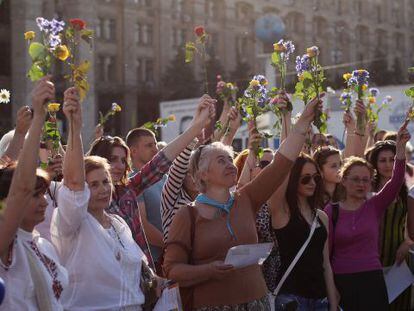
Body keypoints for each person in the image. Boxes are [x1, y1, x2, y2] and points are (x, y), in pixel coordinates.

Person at [163, 96, 322, 310]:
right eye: (221, 161)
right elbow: (172, 270)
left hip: (258, 303)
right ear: (203, 174)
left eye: (230, 159)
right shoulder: (187, 215)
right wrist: (209, 269)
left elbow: (282, 163)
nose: (230, 165)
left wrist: (303, 122)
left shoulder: (246, 198)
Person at [51, 87, 158, 309]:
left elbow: (137, 268)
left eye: (106, 182)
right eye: (93, 184)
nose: (103, 189)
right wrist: (74, 127)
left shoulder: (119, 224)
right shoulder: (74, 221)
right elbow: (72, 183)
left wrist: (157, 282)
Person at [88, 95, 216, 267]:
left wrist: (197, 126)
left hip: (142, 279)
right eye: (112, 159)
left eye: (122, 160)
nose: (118, 166)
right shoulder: (84, 201)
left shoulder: (128, 189)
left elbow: (162, 161)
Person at [0, 77, 68, 310]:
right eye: (34, 195)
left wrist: (75, 127)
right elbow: (21, 187)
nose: (43, 202)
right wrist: (37, 118)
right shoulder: (6, 243)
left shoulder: (45, 247)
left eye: (43, 194)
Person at [325, 123, 409, 310]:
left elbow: (396, 182)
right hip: (342, 281)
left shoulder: (374, 205)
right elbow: (326, 257)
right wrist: (332, 290)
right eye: (355, 179)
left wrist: (401, 148)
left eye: (366, 180)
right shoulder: (331, 211)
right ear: (343, 181)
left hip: (372, 278)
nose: (361, 184)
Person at [267, 153, 337, 311]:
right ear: (292, 179)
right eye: (305, 178)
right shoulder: (282, 212)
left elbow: (325, 263)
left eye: (316, 178)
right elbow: (280, 173)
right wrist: (294, 138)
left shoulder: (322, 216)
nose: (312, 182)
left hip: (320, 299)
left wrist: (332, 304)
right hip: (290, 298)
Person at [367, 140, 414, 310]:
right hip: (369, 260)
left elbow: (412, 227)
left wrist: (407, 243)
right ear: (375, 163)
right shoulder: (365, 189)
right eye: (383, 160)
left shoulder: (405, 190)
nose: (388, 165)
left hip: (398, 261)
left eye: (392, 160)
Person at [126, 128, 166, 267]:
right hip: (153, 262)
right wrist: (173, 246)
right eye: (149, 145)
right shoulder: (131, 182)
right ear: (133, 151)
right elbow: (143, 226)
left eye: (155, 144)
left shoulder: (163, 177)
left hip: (172, 257)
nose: (155, 149)